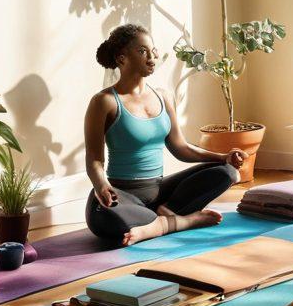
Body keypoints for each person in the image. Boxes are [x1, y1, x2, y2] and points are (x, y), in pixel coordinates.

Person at [84, 24, 245, 246]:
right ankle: (179, 222)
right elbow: (94, 159)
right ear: (122, 59)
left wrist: (222, 157)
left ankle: (160, 219)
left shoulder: (163, 97)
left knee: (227, 173)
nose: (152, 57)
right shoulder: (104, 102)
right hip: (122, 194)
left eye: (153, 50)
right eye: (142, 51)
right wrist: (101, 185)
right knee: (103, 215)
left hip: (160, 191)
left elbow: (181, 148)